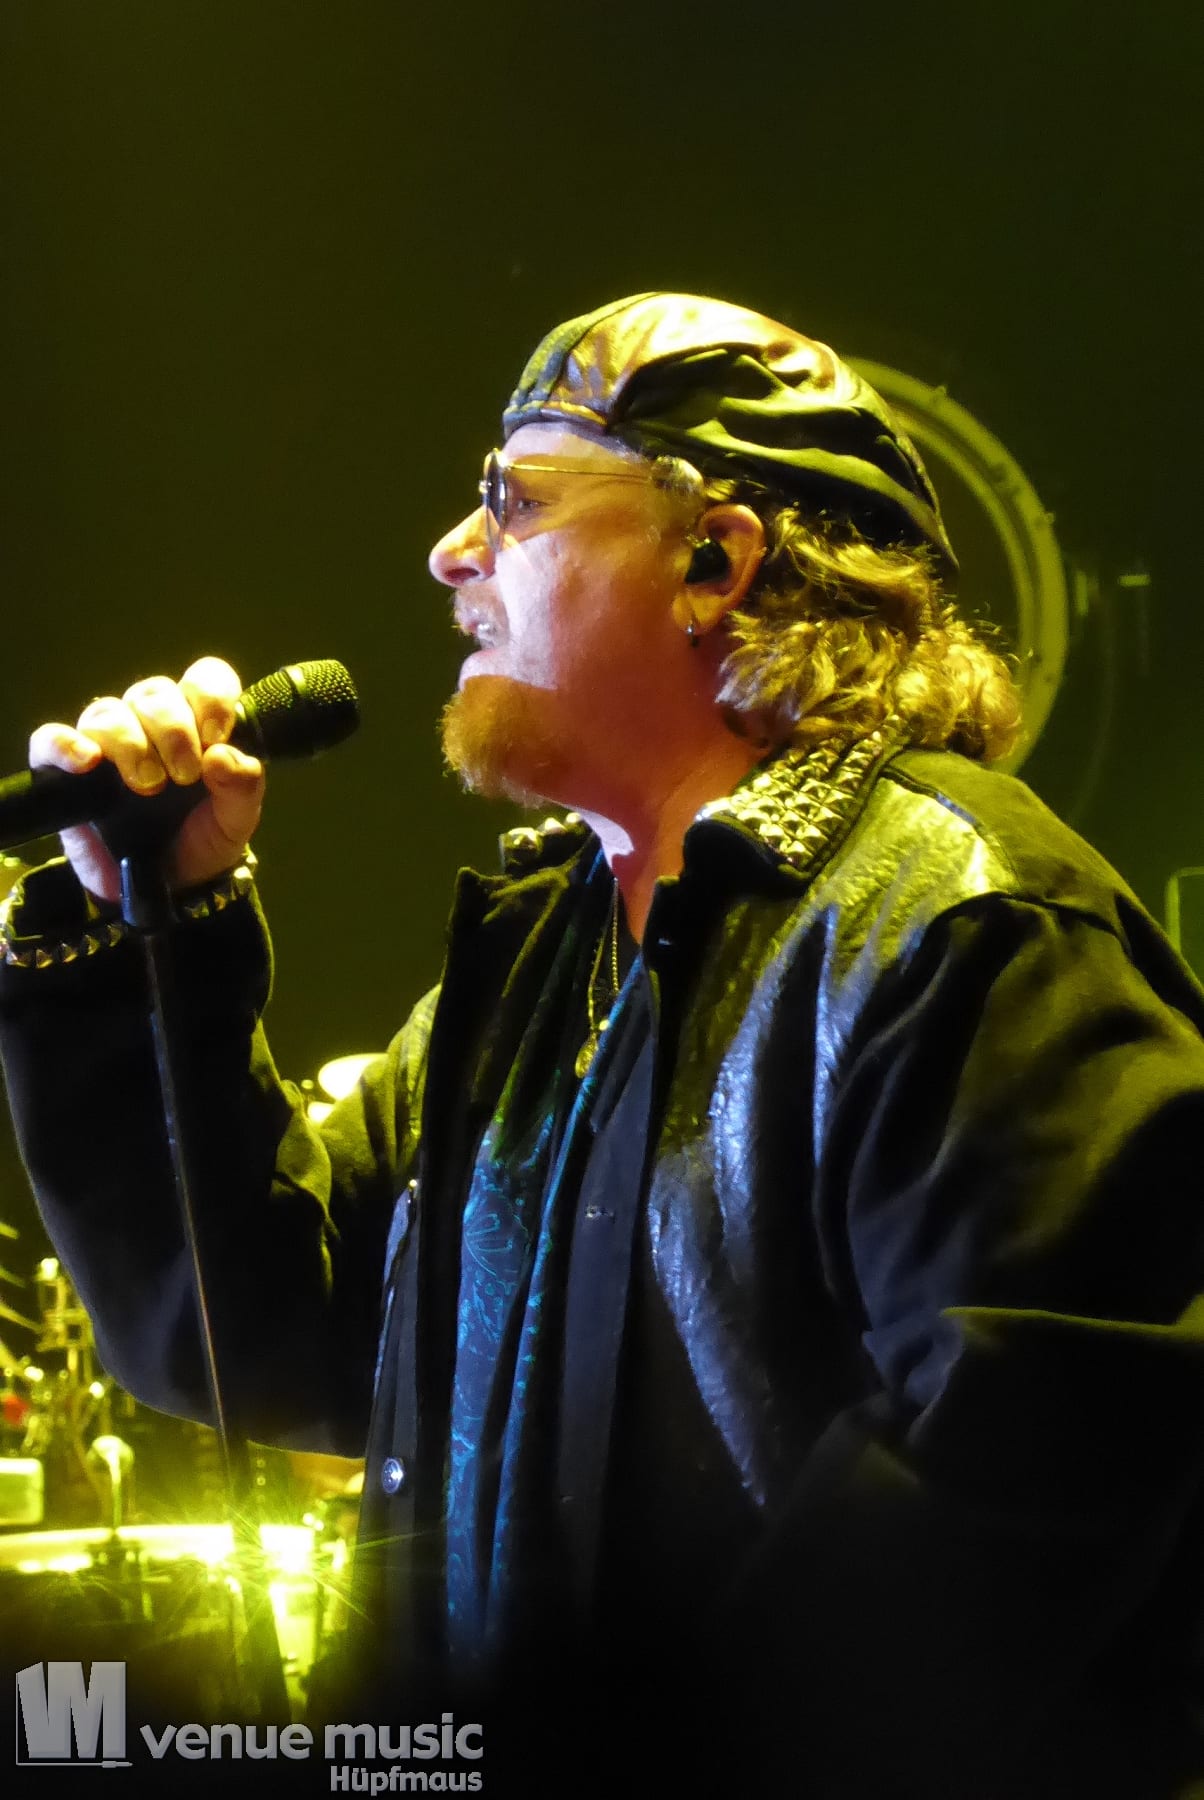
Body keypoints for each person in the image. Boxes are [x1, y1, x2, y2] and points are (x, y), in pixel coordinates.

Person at [2, 291, 1204, 1798]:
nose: (451, 551)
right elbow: (258, 1328)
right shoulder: (540, 962)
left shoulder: (967, 925)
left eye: (515, 498)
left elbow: (1032, 1464)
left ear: (715, 558)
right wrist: (144, 931)